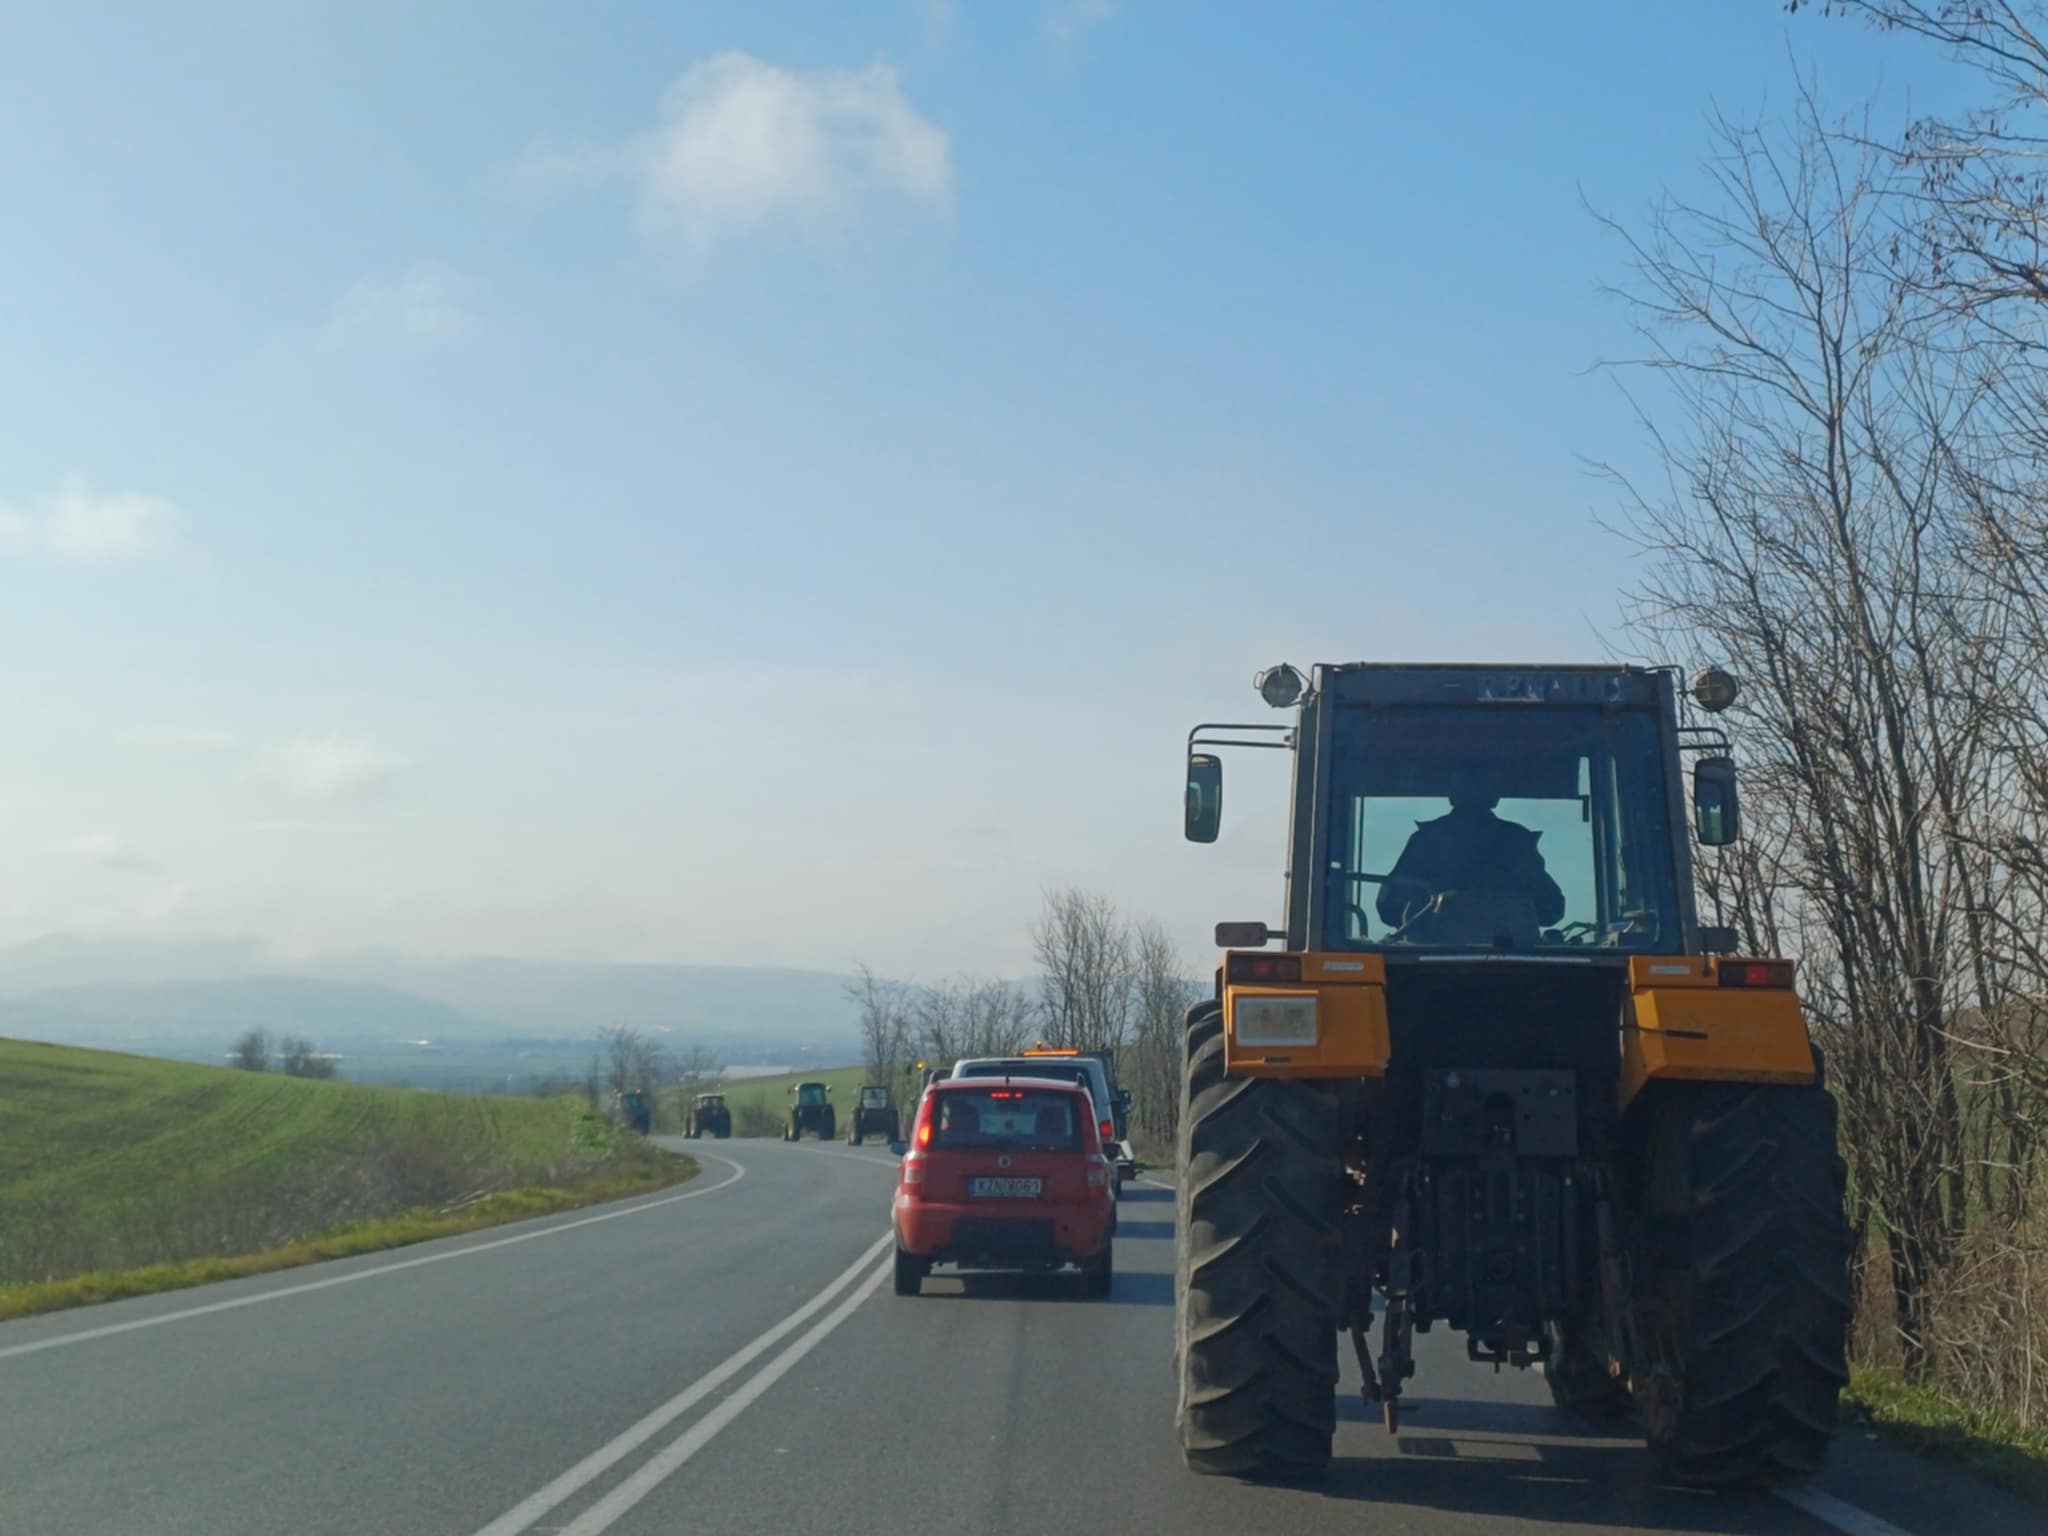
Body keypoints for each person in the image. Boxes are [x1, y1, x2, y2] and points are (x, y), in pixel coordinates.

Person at [1376, 763, 1567, 931]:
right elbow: (1552, 909)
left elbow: (1388, 905)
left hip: (1429, 952)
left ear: (1452, 795)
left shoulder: (1426, 839)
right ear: (1495, 797)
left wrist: (1425, 917)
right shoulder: (1517, 842)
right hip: (1513, 953)